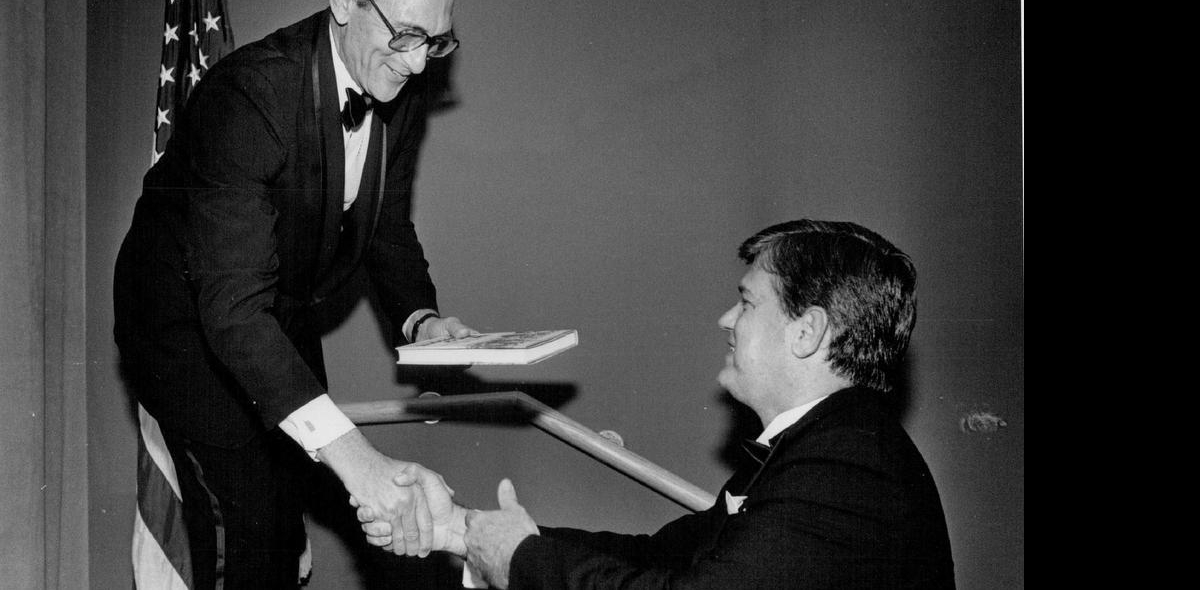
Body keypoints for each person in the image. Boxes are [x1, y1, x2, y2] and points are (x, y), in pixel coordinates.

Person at [114, 0, 467, 587]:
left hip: (273, 303)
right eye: (407, 35)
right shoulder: (249, 95)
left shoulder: (400, 81)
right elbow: (232, 312)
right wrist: (359, 461)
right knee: (247, 519)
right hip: (185, 320)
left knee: (288, 505)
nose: (421, 64)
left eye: (437, 41)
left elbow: (384, 219)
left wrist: (421, 319)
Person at [389, 219, 956, 588]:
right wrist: (467, 530)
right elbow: (661, 557)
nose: (726, 320)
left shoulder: (848, 467)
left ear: (806, 332)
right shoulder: (822, 448)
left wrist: (520, 560)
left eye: (747, 302)